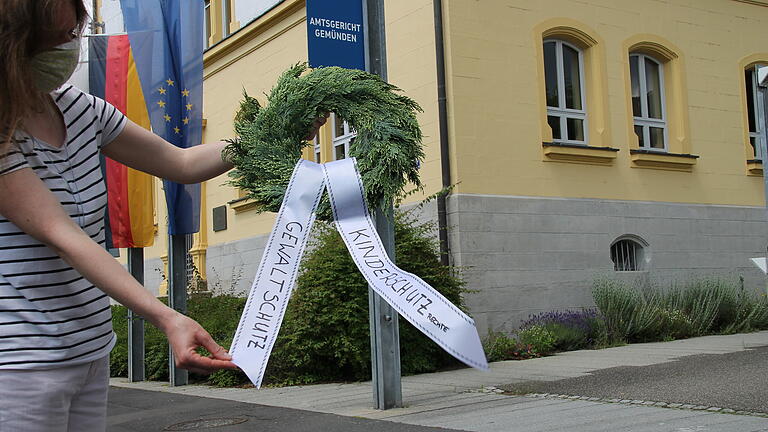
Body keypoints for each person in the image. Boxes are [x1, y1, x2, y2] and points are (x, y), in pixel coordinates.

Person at [0, 1, 326, 430]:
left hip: (92, 350)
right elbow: (65, 236)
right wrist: (167, 316)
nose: (70, 47)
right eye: (57, 38)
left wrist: (269, 134)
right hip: (23, 365)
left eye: (72, 33)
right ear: (16, 46)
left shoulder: (82, 109)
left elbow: (182, 163)